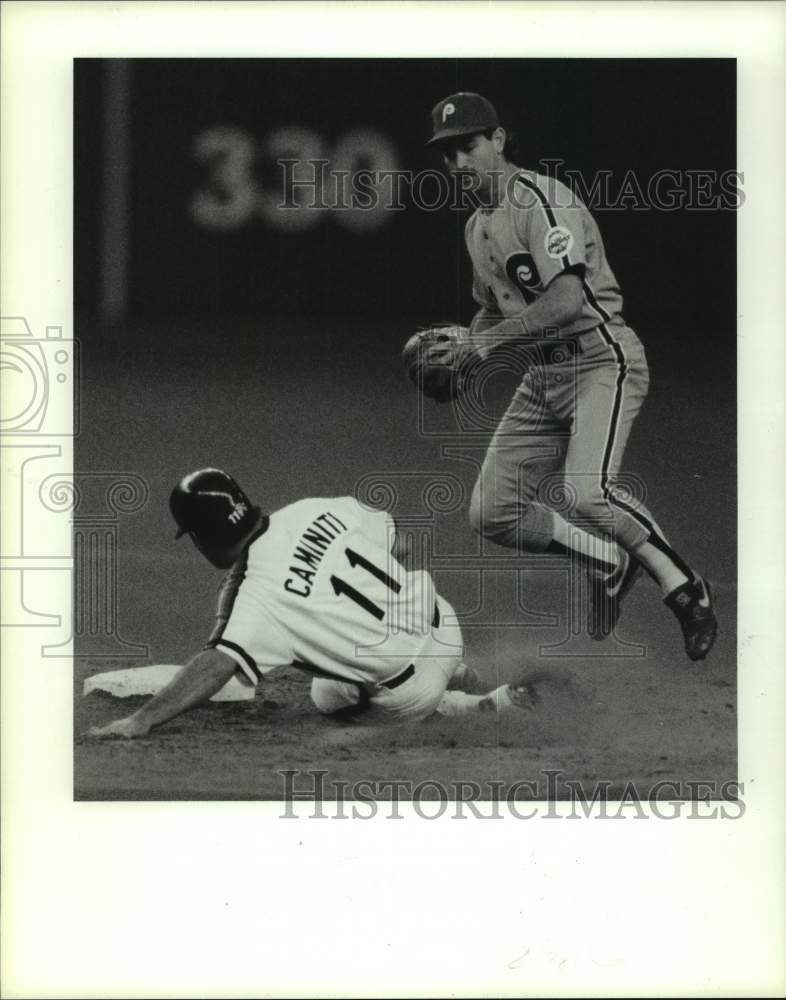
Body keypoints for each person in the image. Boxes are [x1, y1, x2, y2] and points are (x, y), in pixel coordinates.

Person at [424, 92, 717, 660]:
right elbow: (493, 308)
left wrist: (484, 345)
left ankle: (686, 588)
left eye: (468, 147)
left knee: (588, 492)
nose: (459, 164)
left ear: (499, 141)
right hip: (543, 379)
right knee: (492, 513)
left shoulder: (541, 202)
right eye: (448, 154)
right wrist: (464, 345)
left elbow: (564, 300)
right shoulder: (476, 226)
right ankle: (608, 559)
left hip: (599, 359)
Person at [85, 468, 538, 740]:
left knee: (326, 693)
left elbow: (218, 663)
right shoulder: (313, 508)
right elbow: (398, 545)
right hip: (446, 624)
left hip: (410, 694)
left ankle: (475, 705)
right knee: (361, 640)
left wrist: (142, 720)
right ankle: (458, 670)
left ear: (203, 540)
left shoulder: (253, 599)